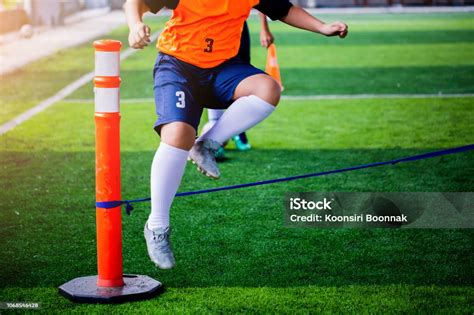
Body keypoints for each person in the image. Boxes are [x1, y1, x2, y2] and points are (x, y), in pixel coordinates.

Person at [125, 0, 348, 269]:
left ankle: (208, 144)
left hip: (222, 68)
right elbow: (134, 2)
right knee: (178, 135)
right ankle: (157, 226)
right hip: (178, 66)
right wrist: (135, 24)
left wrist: (322, 27)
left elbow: (284, 10)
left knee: (268, 89)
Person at [203, 13, 275, 155]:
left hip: (237, 27)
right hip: (207, 27)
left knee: (241, 76)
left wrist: (264, 28)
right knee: (211, 70)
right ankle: (214, 126)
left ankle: (236, 131)